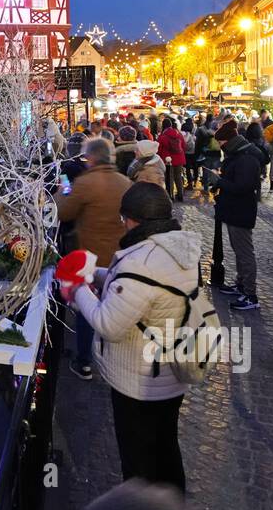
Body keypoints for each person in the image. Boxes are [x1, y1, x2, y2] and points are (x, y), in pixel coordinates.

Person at [57, 182, 201, 492]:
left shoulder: (142, 261)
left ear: (133, 219)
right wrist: (96, 274)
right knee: (165, 449)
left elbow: (108, 323)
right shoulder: (172, 249)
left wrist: (78, 288)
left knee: (137, 460)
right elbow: (136, 286)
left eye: (124, 219)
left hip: (140, 382)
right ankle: (172, 507)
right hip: (168, 379)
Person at [56, 137, 133, 379]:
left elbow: (64, 211)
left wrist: (62, 188)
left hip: (90, 257)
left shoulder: (85, 183)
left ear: (90, 158)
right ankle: (117, 358)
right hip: (119, 256)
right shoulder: (125, 182)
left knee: (88, 309)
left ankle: (84, 361)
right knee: (116, 306)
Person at [211, 119, 262, 310]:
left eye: (222, 143)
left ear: (229, 142)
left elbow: (243, 186)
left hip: (241, 209)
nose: (221, 147)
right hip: (234, 208)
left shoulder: (245, 158)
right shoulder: (238, 156)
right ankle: (241, 285)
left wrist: (221, 181)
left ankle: (250, 294)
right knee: (239, 250)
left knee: (244, 252)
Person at [157, 117, 187, 201]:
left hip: (168, 160)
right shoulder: (179, 134)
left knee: (169, 178)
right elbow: (184, 146)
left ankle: (171, 196)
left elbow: (158, 149)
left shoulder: (162, 136)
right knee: (178, 177)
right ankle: (180, 195)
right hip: (179, 159)